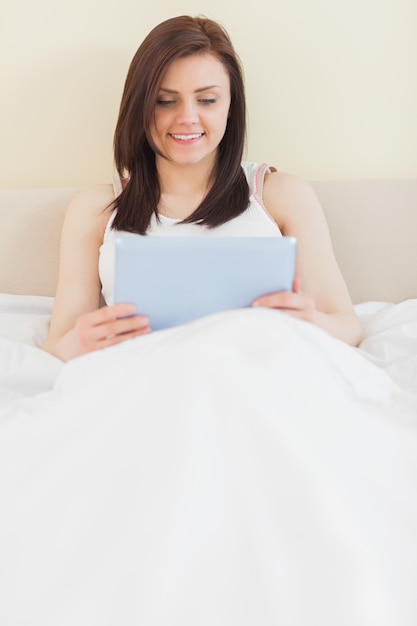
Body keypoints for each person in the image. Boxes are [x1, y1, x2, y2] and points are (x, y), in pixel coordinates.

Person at [43, 14, 363, 362]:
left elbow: (347, 326)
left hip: (258, 376)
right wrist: (80, 342)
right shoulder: (95, 208)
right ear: (140, 106)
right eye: (166, 101)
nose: (187, 118)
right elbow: (59, 342)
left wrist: (308, 322)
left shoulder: (282, 195)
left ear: (230, 106)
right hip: (144, 377)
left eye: (207, 100)